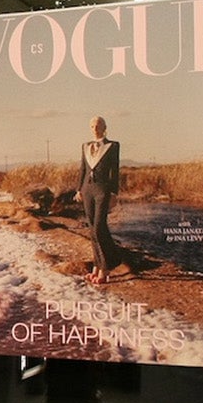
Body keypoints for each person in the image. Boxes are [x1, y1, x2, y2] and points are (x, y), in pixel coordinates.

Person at [74, 115, 120, 285]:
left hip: (102, 190)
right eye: (92, 125)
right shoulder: (85, 146)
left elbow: (115, 171)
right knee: (92, 229)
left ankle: (106, 268)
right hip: (87, 190)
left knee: (100, 228)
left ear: (104, 127)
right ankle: (96, 265)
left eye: (98, 125)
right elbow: (83, 169)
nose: (95, 128)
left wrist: (114, 193)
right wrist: (78, 189)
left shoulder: (113, 146)